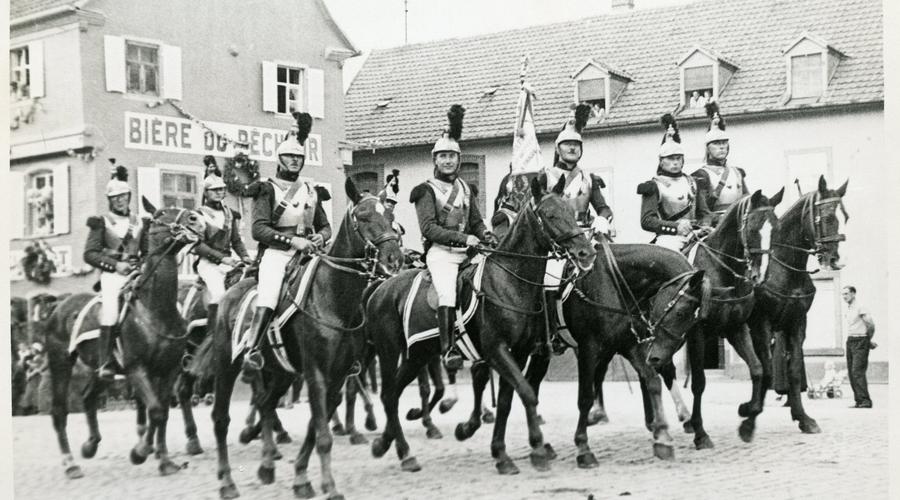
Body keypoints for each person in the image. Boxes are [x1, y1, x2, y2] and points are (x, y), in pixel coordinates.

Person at [240, 113, 332, 380]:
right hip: (278, 253)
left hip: (309, 254)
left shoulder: (312, 191)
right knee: (268, 294)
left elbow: (325, 225)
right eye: (290, 157)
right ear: (279, 159)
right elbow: (259, 229)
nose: (295, 161)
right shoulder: (267, 189)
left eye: (299, 157)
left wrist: (321, 238)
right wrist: (293, 240)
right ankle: (252, 348)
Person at [410, 104, 493, 369]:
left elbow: (476, 222)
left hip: (469, 254)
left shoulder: (466, 188)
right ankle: (449, 350)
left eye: (452, 156)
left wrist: (485, 235)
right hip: (442, 255)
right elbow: (429, 229)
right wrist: (464, 239)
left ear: (459, 159)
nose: (448, 161)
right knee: (447, 294)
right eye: (442, 156)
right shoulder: (425, 190)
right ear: (435, 160)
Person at [83, 165, 147, 381]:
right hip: (113, 275)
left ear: (129, 196)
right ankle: (105, 362)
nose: (120, 201)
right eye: (116, 198)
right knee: (110, 310)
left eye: (124, 196)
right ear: (110, 200)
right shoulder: (101, 223)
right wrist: (115, 265)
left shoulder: (140, 222)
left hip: (137, 273)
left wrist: (144, 265)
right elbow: (90, 254)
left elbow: (147, 252)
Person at [638, 113, 711, 252]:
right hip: (669, 237)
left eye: (678, 158)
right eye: (670, 159)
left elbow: (705, 212)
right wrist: (675, 227)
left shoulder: (693, 182)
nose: (675, 162)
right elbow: (647, 221)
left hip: (696, 234)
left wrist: (705, 226)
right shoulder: (653, 186)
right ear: (661, 161)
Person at [192, 174, 253, 339]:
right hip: (208, 263)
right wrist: (221, 258)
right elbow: (198, 245)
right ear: (206, 193)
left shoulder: (229, 214)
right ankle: (212, 338)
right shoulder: (198, 215)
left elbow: (236, 240)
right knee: (219, 295)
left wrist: (245, 256)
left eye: (221, 189)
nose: (219, 193)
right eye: (214, 190)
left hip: (229, 262)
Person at [691, 102, 749, 226]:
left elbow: (747, 201)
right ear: (708, 148)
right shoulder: (701, 175)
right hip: (714, 226)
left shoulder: (737, 173)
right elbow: (703, 211)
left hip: (739, 224)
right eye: (716, 144)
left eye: (724, 143)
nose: (721, 147)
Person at [842, 286, 875, 408]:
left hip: (861, 340)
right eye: (843, 294)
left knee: (857, 371)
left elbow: (870, 323)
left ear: (853, 294)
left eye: (847, 294)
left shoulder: (861, 306)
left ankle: (866, 401)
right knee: (851, 372)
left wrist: (868, 339)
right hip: (850, 340)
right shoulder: (849, 308)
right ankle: (859, 400)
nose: (844, 297)